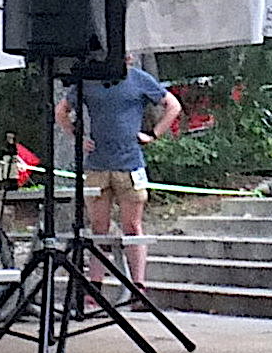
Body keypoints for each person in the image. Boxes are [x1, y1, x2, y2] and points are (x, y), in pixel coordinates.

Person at [54, 53, 182, 303]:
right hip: (98, 165)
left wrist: (153, 134)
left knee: (132, 226)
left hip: (129, 163)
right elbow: (62, 111)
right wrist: (76, 136)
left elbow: (173, 105)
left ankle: (139, 287)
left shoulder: (138, 79)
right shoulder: (88, 82)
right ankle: (96, 286)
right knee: (98, 227)